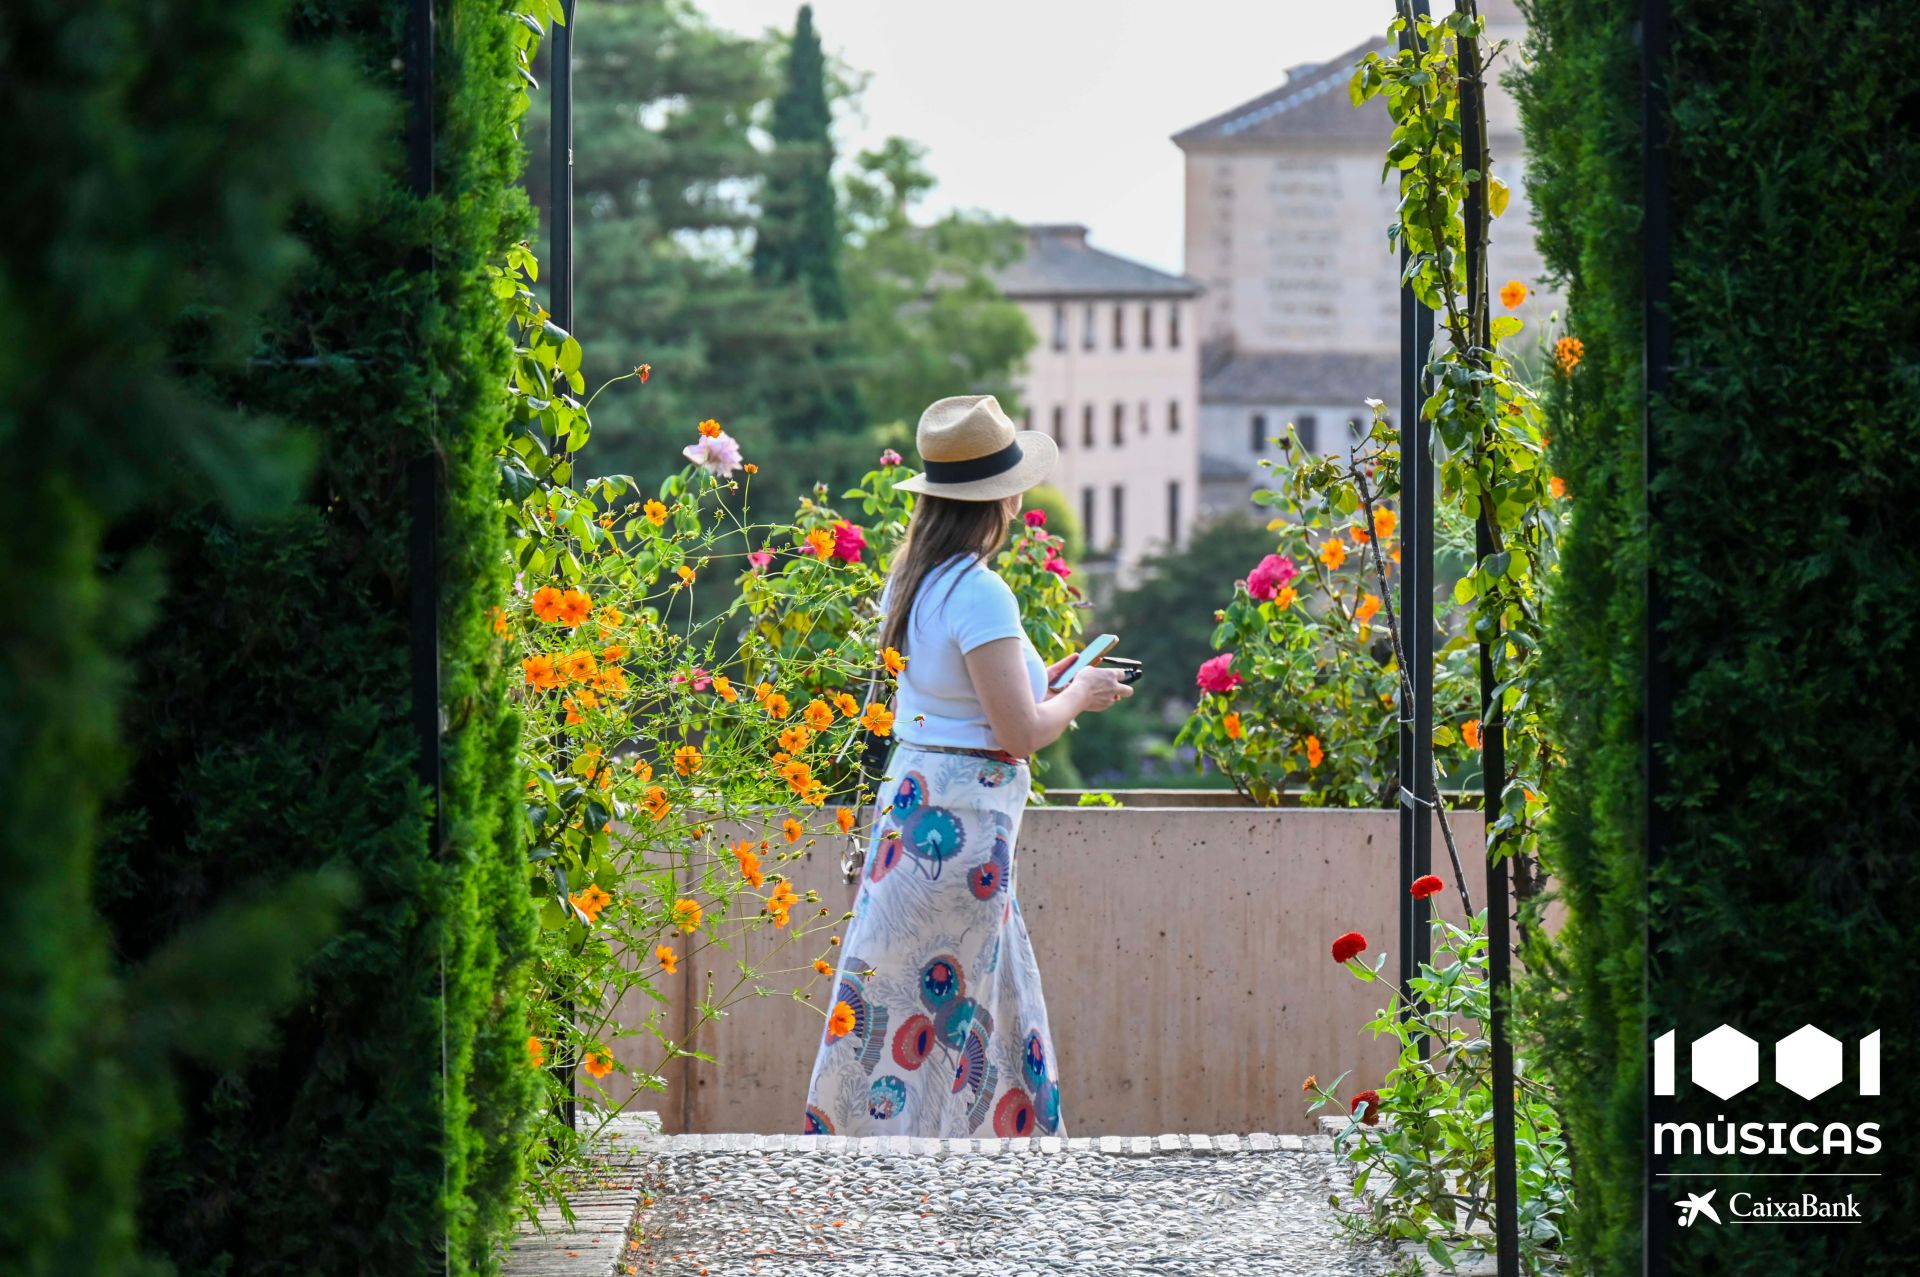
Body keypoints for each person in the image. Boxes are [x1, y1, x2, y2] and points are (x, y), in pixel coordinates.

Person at [800, 394, 1133, 1140]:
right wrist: (1079, 694)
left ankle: (919, 1152)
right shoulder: (981, 591)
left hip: (913, 810)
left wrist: (1049, 680)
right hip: (963, 831)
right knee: (953, 1010)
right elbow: (1019, 731)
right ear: (1003, 499)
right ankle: (959, 1161)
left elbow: (957, 697)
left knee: (913, 997)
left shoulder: (914, 579)